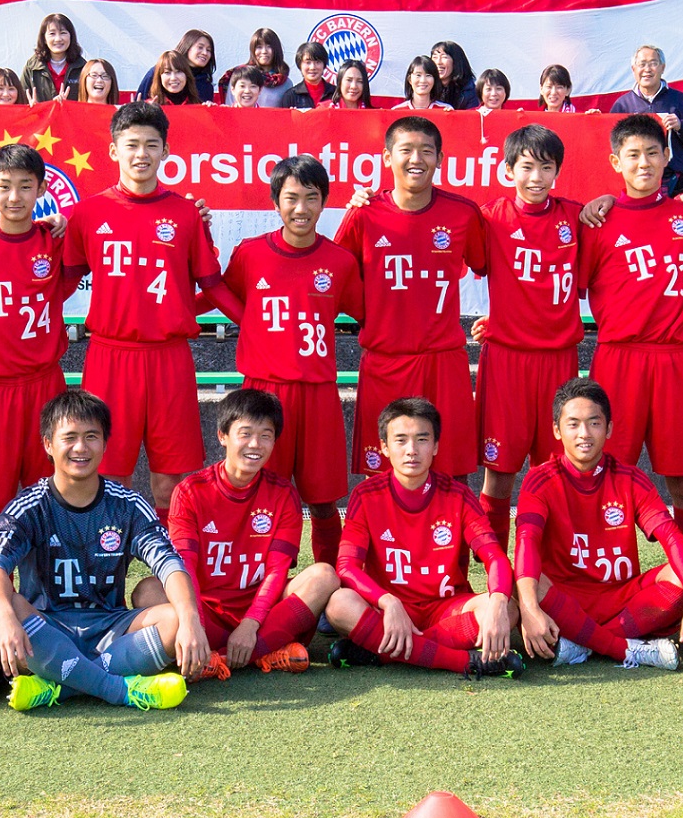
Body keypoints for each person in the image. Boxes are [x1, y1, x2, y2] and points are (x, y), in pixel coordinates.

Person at [0, 389, 201, 712]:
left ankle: (58, 685)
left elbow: (168, 562)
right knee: (2, 610)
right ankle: (120, 690)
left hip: (110, 627)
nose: (81, 447)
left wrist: (191, 617)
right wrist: (4, 615)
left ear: (105, 444)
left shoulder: (127, 505)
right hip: (46, 627)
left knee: (175, 617)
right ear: (48, 445)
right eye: (69, 437)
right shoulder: (30, 506)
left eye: (91, 437)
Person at [62, 102, 235, 513]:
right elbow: (62, 283)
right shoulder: (86, 213)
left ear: (166, 151)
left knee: (171, 481)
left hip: (168, 357)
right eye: (132, 144)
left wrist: (255, 323)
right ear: (113, 150)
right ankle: (104, 567)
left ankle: (174, 569)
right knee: (105, 472)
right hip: (109, 355)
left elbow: (211, 284)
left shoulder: (185, 214)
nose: (141, 154)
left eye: (151, 145)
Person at [217, 155, 362, 566]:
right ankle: (254, 576)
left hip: (317, 392)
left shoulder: (339, 261)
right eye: (291, 198)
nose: (301, 208)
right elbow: (218, 292)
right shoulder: (250, 253)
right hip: (263, 391)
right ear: (275, 202)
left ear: (324, 202)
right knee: (258, 492)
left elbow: (372, 310)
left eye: (311, 198)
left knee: (322, 499)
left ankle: (331, 582)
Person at [576, 114, 683, 535]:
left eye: (653, 153)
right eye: (633, 155)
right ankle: (600, 570)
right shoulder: (597, 222)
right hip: (618, 359)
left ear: (668, 156)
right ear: (616, 162)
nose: (644, 163)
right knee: (605, 478)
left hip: (674, 360)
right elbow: (564, 286)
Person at [327, 398, 523, 678]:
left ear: (436, 446)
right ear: (384, 447)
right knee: (338, 604)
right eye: (400, 440)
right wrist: (388, 601)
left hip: (445, 608)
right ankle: (461, 661)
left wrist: (499, 601)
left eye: (421, 439)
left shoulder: (458, 495)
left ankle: (381, 654)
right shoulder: (365, 495)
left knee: (508, 608)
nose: (411, 450)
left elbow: (494, 557)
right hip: (388, 610)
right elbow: (346, 567)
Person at [336, 116, 488, 478]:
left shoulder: (463, 213)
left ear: (440, 159)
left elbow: (491, 267)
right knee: (383, 475)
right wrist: (371, 315)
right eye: (405, 150)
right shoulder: (364, 214)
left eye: (426, 151)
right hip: (385, 359)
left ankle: (452, 537)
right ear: (387, 157)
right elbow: (333, 276)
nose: (415, 158)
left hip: (442, 360)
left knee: (452, 472)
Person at [513, 378, 683, 669]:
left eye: (594, 423)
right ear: (557, 431)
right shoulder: (540, 479)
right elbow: (526, 543)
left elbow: (670, 536)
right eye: (573, 424)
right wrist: (530, 608)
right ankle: (628, 648)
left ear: (608, 428)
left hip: (621, 598)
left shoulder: (630, 478)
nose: (584, 433)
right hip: (564, 598)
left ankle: (584, 643)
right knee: (522, 581)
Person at [0, 144, 83, 515]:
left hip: (45, 385)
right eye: (5, 185)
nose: (14, 196)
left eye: (26, 186)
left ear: (42, 190)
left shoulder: (55, 241)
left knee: (50, 497)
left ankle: (45, 573)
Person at [170, 388, 338, 679]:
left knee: (324, 576)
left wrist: (251, 623)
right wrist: (194, 620)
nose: (255, 444)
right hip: (208, 612)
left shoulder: (284, 494)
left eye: (266, 435)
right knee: (147, 591)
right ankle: (269, 653)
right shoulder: (189, 491)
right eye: (245, 433)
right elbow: (186, 568)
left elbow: (277, 571)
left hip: (265, 616)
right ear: (223, 436)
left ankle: (220, 659)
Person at [472, 124, 585, 548]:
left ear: (557, 171)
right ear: (508, 169)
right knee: (499, 471)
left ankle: (550, 562)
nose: (535, 177)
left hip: (559, 359)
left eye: (546, 167)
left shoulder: (576, 217)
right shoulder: (489, 218)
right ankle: (496, 564)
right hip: (506, 359)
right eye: (526, 167)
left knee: (556, 470)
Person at [607, 45, 683, 195]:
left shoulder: (680, 101)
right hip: (635, 180)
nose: (647, 69)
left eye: (653, 63)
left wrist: (681, 126)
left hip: (674, 181)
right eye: (642, 64)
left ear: (662, 68)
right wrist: (595, 118)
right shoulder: (622, 105)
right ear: (633, 69)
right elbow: (610, 141)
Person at [138, 29, 217, 104]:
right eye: (200, 47)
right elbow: (137, 106)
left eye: (208, 50)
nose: (205, 53)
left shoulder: (205, 84)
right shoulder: (157, 71)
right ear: (187, 47)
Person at [23, 14, 83, 104]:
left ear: (71, 36)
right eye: (52, 34)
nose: (58, 39)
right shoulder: (32, 67)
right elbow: (20, 100)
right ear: (44, 39)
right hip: (41, 118)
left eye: (63, 33)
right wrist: (31, 107)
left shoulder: (82, 67)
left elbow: (90, 103)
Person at [224, 28, 291, 107]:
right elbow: (229, 108)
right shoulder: (241, 75)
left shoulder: (286, 83)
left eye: (269, 46)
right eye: (259, 47)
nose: (264, 51)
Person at [430, 40, 479, 109]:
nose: (438, 62)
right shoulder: (428, 87)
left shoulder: (470, 92)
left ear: (456, 61)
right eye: (435, 57)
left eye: (444, 57)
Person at [281, 41, 331, 108]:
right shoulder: (290, 96)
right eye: (308, 62)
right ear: (300, 65)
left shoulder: (335, 94)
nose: (312, 67)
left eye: (318, 62)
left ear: (324, 65)